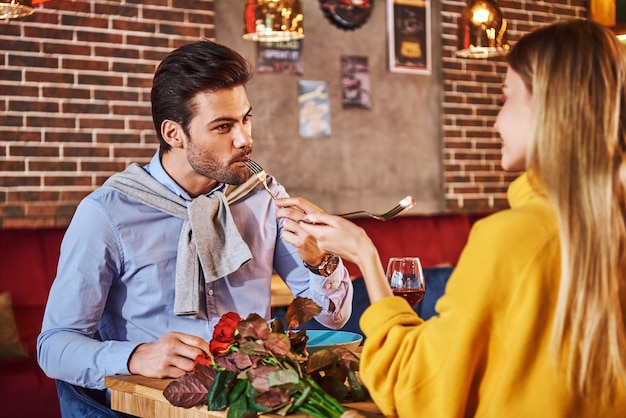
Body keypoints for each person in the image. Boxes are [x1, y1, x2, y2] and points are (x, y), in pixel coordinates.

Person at [276, 19, 626, 416]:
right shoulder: (606, 224)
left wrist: (364, 252)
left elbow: (417, 386)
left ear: (548, 106)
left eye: (505, 98)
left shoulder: (514, 237)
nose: (495, 122)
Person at [37, 40, 353, 392]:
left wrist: (321, 260)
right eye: (223, 127)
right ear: (174, 134)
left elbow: (332, 317)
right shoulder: (106, 214)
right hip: (157, 408)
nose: (244, 139)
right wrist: (136, 357)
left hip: (256, 400)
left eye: (245, 119)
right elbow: (54, 347)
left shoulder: (262, 197)